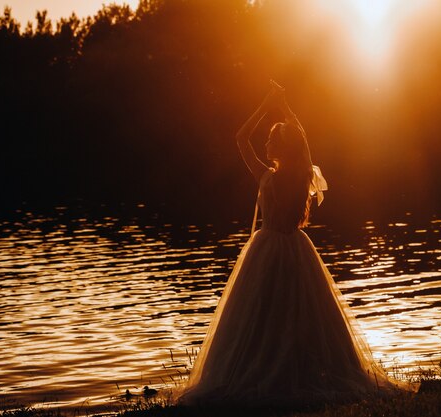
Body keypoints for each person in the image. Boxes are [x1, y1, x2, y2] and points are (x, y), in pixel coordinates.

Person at [178, 81, 415, 408]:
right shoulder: (302, 174)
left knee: (262, 317)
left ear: (279, 148)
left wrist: (266, 105)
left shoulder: (268, 177)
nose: (267, 142)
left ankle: (265, 374)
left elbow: (240, 138)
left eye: (272, 139)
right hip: (296, 248)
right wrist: (284, 107)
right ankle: (300, 372)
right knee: (301, 315)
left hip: (266, 251)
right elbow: (300, 138)